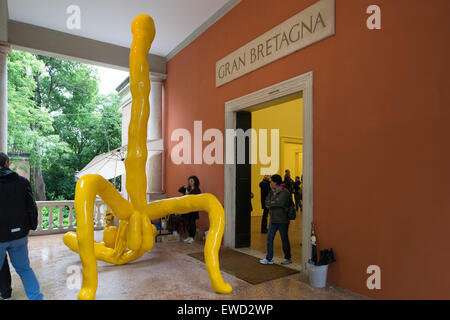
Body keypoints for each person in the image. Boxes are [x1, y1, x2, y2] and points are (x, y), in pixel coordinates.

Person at [0, 152, 43, 300]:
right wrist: (30, 227)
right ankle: (36, 298)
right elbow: (32, 207)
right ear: (7, 163)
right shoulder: (22, 182)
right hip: (19, 236)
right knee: (25, 269)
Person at [259, 174, 292, 265]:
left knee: (284, 239)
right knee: (269, 239)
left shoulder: (285, 192)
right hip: (273, 220)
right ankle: (269, 258)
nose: (270, 183)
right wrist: (273, 203)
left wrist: (272, 203)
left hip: (282, 220)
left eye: (272, 181)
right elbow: (267, 202)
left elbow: (280, 202)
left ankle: (288, 257)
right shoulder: (271, 191)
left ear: (276, 183)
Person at [178, 176, 201, 244]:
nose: (190, 182)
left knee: (192, 223)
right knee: (186, 223)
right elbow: (179, 190)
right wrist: (183, 187)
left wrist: (188, 193)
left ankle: (192, 237)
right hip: (186, 208)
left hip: (193, 209)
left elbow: (193, 197)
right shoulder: (187, 188)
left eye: (192, 181)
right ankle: (189, 236)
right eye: (189, 181)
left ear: (195, 182)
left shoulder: (197, 190)